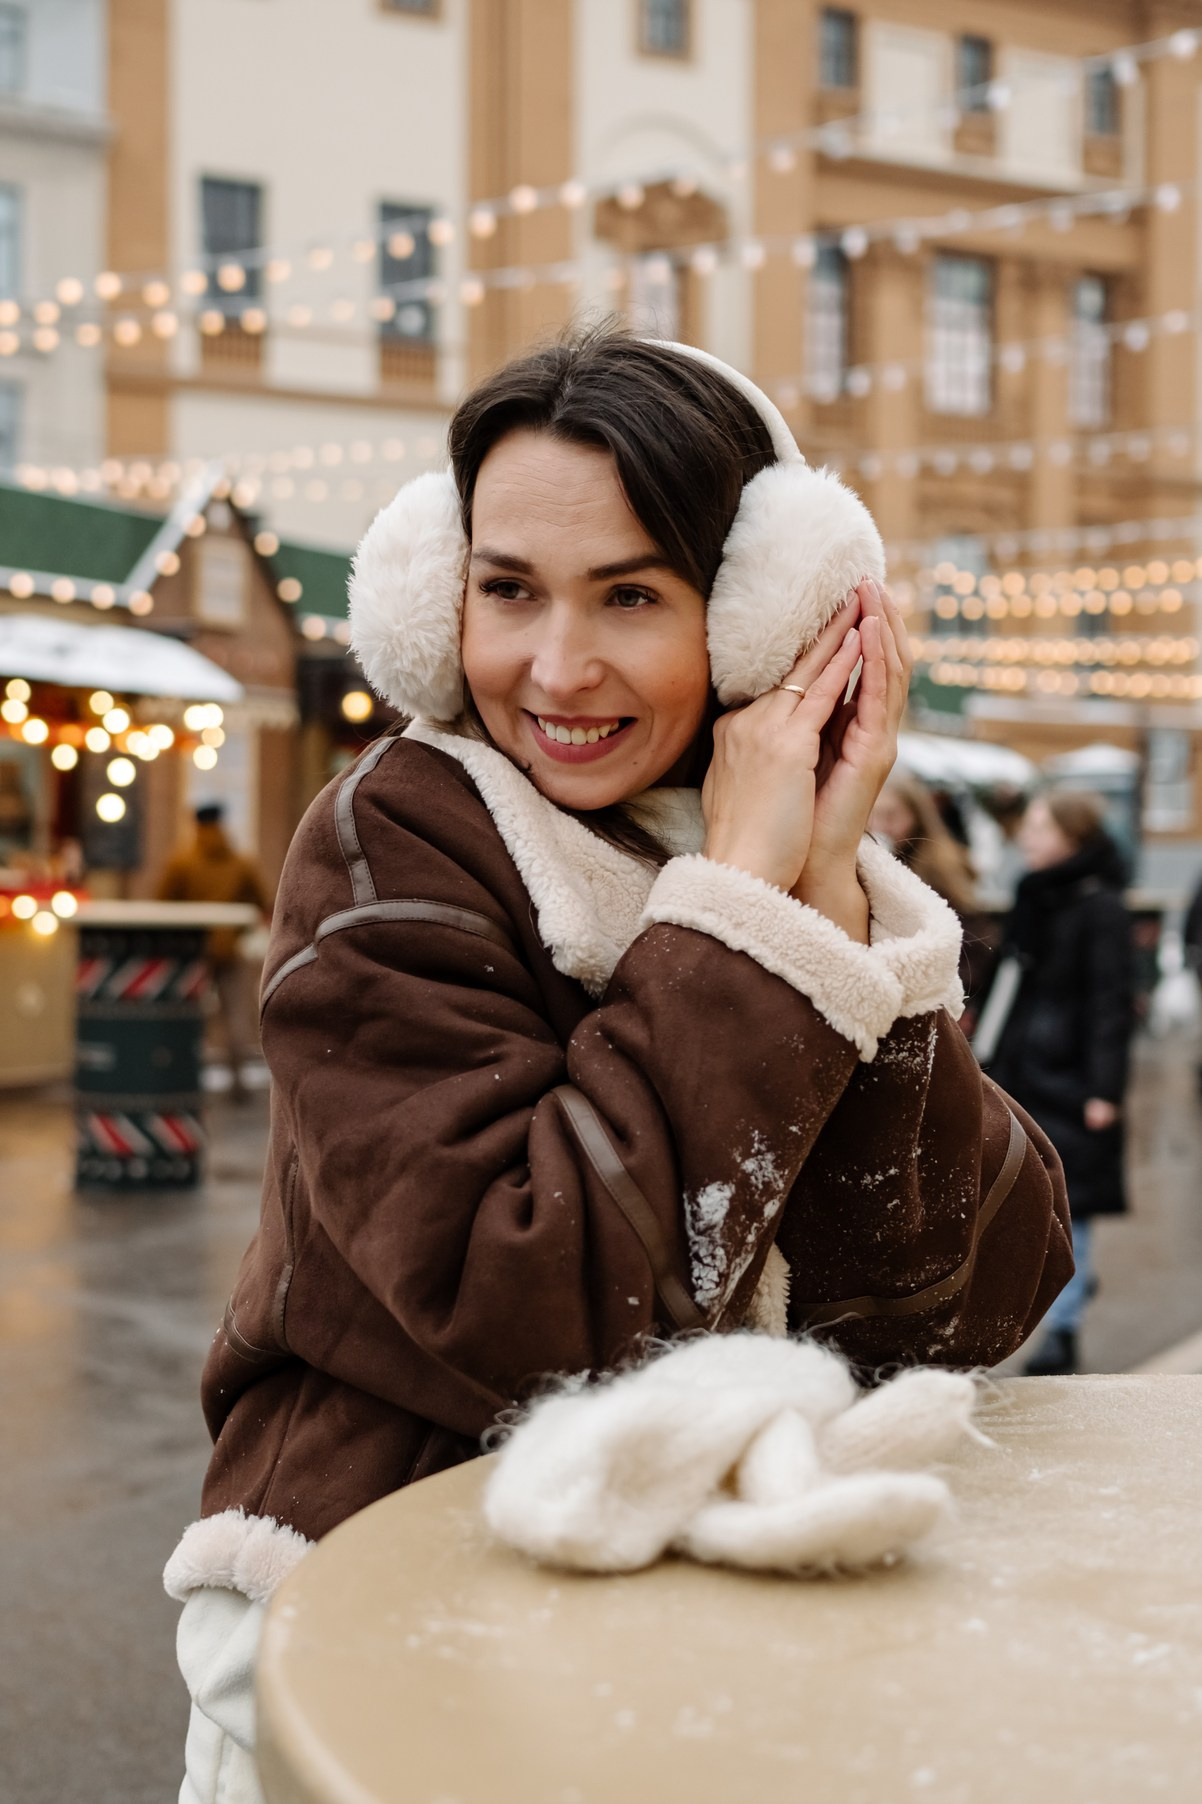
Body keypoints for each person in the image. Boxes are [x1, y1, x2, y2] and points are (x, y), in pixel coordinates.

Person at [164, 328, 1070, 1803]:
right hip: (367, 1610)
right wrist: (746, 923)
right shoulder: (396, 838)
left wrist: (827, 896)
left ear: (757, 622)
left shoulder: (764, 850)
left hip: (692, 1631)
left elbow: (968, 1297)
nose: (556, 667)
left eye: (631, 596)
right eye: (507, 589)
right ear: (433, 593)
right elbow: (530, 1301)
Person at [974, 790, 1134, 1376]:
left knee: (1074, 1203)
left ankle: (1061, 1333)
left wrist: (1105, 1090)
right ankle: (1055, 1304)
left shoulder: (1102, 907)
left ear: (1073, 835)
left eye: (1041, 827)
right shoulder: (1032, 894)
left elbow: (1110, 1004)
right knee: (1018, 1186)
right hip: (1018, 1068)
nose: (1027, 837)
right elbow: (1007, 981)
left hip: (1068, 1078)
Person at [157, 804, 272, 1101]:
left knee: (187, 1014)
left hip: (191, 952)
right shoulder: (240, 862)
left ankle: (180, 1076)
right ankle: (239, 1082)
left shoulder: (182, 862)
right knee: (236, 1016)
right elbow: (263, 901)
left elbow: (161, 903)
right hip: (230, 950)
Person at [869, 769, 994, 1009]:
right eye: (874, 816)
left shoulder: (940, 865)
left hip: (929, 996)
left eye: (891, 815)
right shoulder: (877, 860)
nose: (882, 826)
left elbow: (971, 935)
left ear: (916, 815)